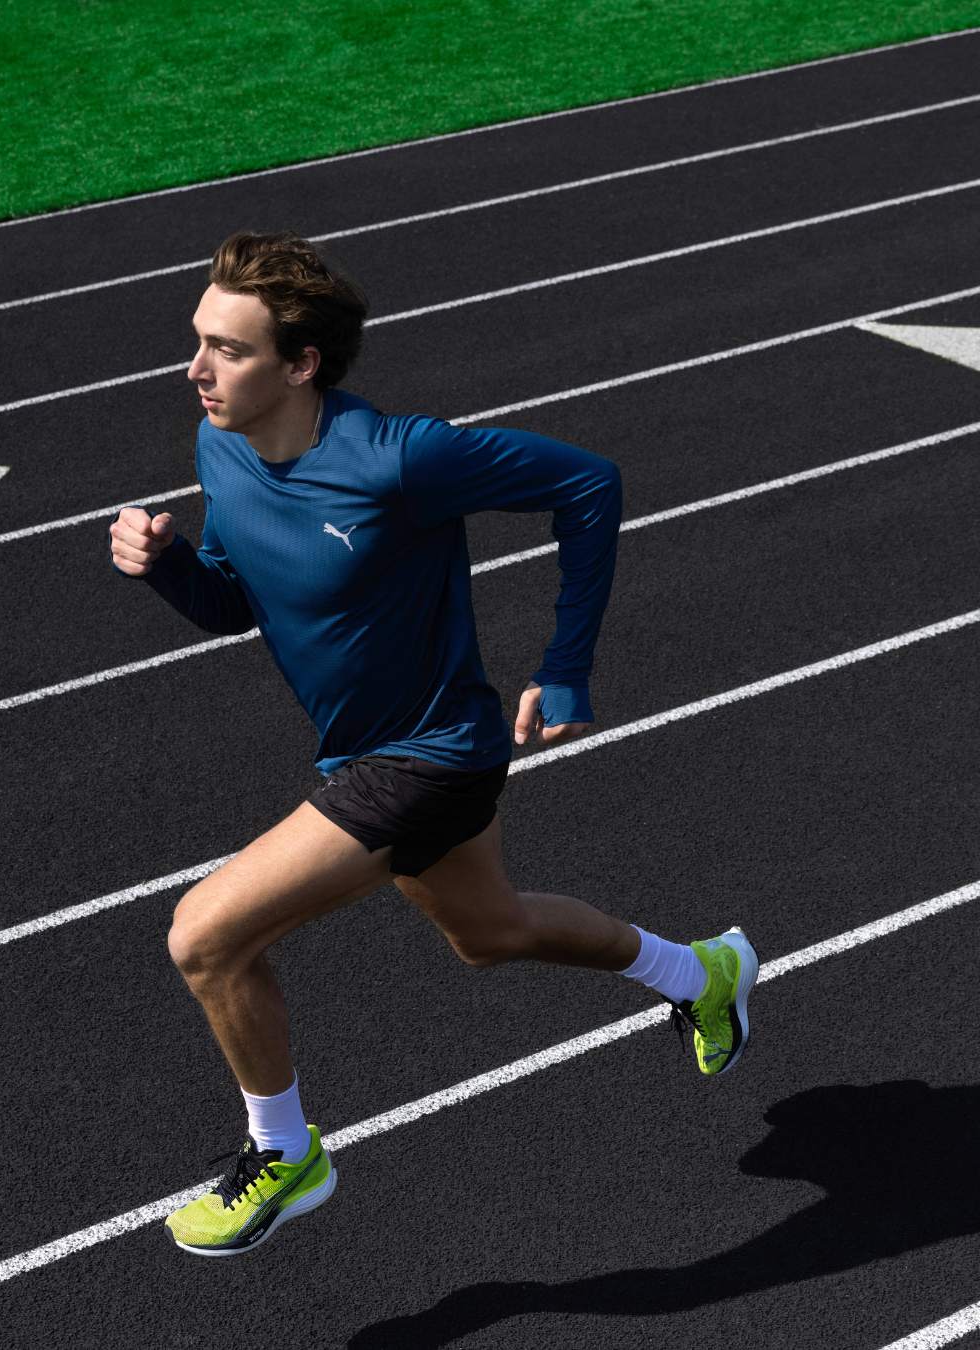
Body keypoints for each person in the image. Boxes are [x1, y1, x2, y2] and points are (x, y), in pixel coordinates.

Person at [108, 230, 759, 1258]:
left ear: (302, 364)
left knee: (206, 937)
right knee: (490, 933)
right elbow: (235, 603)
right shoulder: (220, 446)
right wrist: (169, 568)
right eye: (196, 340)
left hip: (434, 754)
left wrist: (568, 664)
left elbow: (590, 484)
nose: (195, 369)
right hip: (359, 754)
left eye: (226, 349)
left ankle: (283, 1153)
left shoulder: (400, 459)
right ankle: (704, 974)